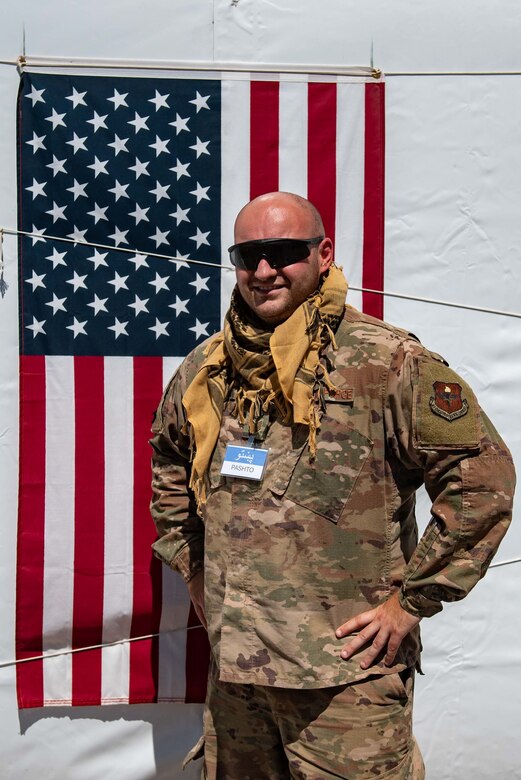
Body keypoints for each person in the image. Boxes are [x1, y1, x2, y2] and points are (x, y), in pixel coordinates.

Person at [149, 192, 515, 779]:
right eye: (249, 255)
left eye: (283, 252)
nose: (264, 271)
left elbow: (481, 483)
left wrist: (411, 603)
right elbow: (169, 460)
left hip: (345, 682)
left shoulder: (387, 361)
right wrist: (193, 566)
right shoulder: (206, 370)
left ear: (323, 255)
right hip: (238, 676)